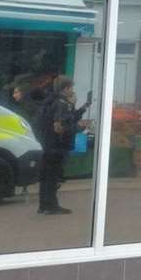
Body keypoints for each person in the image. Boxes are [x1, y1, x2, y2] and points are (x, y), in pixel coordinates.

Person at [36, 77, 89, 215]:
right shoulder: (62, 104)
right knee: (53, 176)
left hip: (47, 143)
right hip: (57, 145)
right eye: (71, 88)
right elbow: (59, 125)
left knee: (46, 176)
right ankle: (52, 206)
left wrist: (82, 107)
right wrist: (74, 127)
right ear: (65, 89)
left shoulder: (50, 100)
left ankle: (43, 205)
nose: (72, 91)